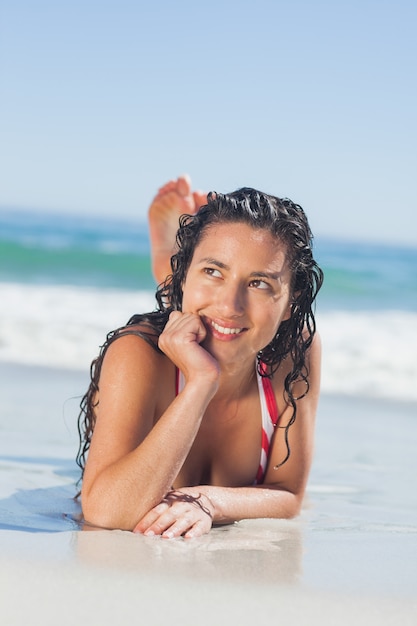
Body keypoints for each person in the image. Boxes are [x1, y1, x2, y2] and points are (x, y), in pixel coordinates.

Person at [76, 175, 324, 538]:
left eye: (260, 283)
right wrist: (201, 382)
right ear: (187, 271)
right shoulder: (137, 353)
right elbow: (105, 512)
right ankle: (171, 265)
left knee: (218, 318)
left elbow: (288, 495)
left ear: (291, 302)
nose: (230, 302)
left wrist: (207, 501)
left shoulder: (294, 354)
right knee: (215, 317)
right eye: (212, 270)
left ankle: (184, 267)